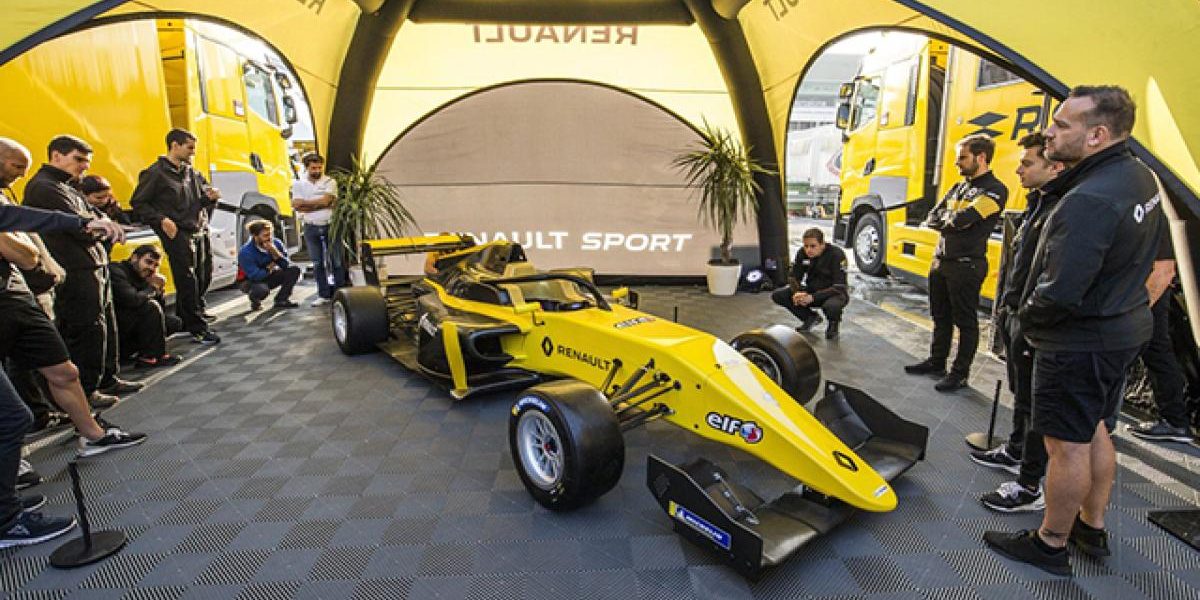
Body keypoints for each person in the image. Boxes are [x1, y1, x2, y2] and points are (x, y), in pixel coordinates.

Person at [984, 86, 1162, 577]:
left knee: (1065, 446)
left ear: (1097, 135)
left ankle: (1050, 542)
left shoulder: (1088, 199)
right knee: (1095, 428)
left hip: (1079, 343)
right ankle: (1091, 526)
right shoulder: (1138, 176)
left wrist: (1025, 325)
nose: (1049, 132)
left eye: (1062, 125)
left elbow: (1059, 292)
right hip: (1118, 332)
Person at [0, 137, 145, 549]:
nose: (19, 174)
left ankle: (91, 437)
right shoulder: (41, 190)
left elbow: (19, 234)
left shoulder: (16, 194)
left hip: (14, 295)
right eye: (14, 165)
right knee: (11, 419)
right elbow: (17, 229)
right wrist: (79, 224)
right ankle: (5, 518)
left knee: (62, 372)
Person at [970, 132, 1064, 512]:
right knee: (1021, 394)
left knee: (1036, 403)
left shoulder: (1062, 209)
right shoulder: (1036, 204)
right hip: (1017, 316)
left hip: (1034, 322)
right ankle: (1015, 449)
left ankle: (1029, 485)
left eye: (1028, 163)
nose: (1019, 169)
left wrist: (1027, 316)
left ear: (1053, 167)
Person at [22, 135, 143, 402]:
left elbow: (97, 219)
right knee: (86, 329)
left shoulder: (66, 187)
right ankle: (88, 390)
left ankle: (106, 378)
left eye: (86, 161)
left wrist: (99, 224)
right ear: (56, 155)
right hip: (75, 268)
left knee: (103, 326)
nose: (84, 166)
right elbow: (83, 226)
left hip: (92, 264)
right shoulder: (44, 187)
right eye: (78, 159)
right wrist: (98, 226)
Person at [905, 134, 1009, 392]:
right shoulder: (958, 187)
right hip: (941, 261)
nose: (957, 163)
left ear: (981, 157)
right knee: (940, 316)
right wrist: (949, 221)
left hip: (966, 265)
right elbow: (933, 217)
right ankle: (937, 362)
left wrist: (949, 221)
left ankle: (959, 374)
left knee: (965, 321)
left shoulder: (995, 189)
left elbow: (961, 220)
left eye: (963, 158)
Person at [130, 128, 221, 345]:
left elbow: (200, 200)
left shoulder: (192, 173)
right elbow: (138, 203)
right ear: (174, 145)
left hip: (198, 229)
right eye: (189, 147)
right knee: (187, 279)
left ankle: (189, 315)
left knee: (203, 275)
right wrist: (161, 219)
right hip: (177, 232)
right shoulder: (155, 173)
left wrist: (211, 197)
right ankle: (197, 328)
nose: (193, 152)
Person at [1127, 230, 1192, 443]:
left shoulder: (1160, 216)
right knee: (1154, 349)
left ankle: (1175, 420)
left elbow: (1165, 269)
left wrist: (1139, 308)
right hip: (1147, 288)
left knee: (1155, 349)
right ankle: (1175, 420)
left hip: (1149, 289)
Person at [110, 244, 183, 368]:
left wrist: (159, 291)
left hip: (131, 324)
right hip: (116, 327)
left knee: (173, 323)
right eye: (148, 262)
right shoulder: (116, 271)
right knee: (150, 307)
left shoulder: (145, 276)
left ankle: (138, 351)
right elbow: (132, 300)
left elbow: (159, 312)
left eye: (155, 265)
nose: (151, 268)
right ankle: (151, 357)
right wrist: (152, 288)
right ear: (134, 258)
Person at [771, 228, 849, 339]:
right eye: (806, 246)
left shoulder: (837, 255)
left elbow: (839, 286)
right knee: (779, 295)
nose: (808, 250)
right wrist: (797, 292)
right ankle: (810, 318)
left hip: (833, 293)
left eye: (813, 246)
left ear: (822, 244)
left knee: (832, 306)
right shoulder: (802, 253)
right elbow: (793, 277)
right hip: (812, 289)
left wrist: (813, 297)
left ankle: (833, 325)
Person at [293, 153, 343, 306]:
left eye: (319, 168)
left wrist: (306, 204)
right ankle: (323, 294)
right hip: (311, 226)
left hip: (330, 224)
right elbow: (296, 205)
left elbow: (327, 200)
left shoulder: (330, 181)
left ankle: (340, 293)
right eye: (313, 168)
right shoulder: (299, 184)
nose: (317, 171)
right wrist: (322, 204)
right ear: (306, 168)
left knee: (336, 260)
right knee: (317, 262)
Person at [237, 220, 301, 310]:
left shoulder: (276, 243)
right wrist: (269, 267)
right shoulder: (245, 252)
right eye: (265, 235)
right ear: (255, 236)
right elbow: (255, 276)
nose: (269, 238)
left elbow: (286, 265)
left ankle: (281, 300)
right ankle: (255, 299)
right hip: (250, 281)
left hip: (269, 274)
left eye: (270, 234)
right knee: (262, 290)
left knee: (294, 270)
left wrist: (276, 253)